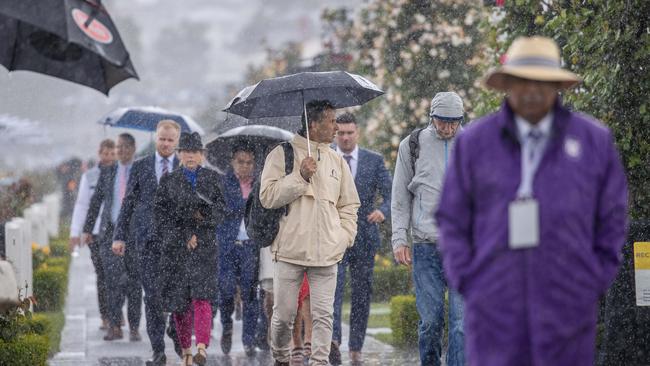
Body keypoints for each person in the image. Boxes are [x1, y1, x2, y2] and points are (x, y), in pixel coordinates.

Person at [435, 36, 628, 366]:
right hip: (493, 308)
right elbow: (452, 218)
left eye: (543, 82)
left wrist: (591, 280)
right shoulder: (476, 144)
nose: (533, 91)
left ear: (557, 85)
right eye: (524, 81)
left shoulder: (592, 141)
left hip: (568, 310)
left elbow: (612, 217)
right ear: (508, 84)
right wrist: (469, 281)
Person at [260, 99, 360, 366]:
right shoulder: (281, 155)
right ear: (313, 124)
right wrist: (300, 177)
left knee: (323, 316)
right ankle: (280, 356)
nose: (337, 127)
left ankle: (319, 362)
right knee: (283, 316)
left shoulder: (337, 161)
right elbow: (267, 197)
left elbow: (349, 204)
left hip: (327, 252)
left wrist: (344, 237)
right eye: (331, 121)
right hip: (289, 251)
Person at [391, 92, 466, 366]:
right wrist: (399, 238)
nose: (447, 128)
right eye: (442, 121)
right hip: (426, 245)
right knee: (431, 322)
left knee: (461, 324)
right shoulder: (412, 145)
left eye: (453, 122)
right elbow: (399, 197)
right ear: (431, 118)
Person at [112, 120, 181, 366]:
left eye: (170, 140)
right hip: (148, 243)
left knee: (175, 296)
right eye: (162, 138)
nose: (165, 143)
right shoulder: (141, 167)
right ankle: (158, 351)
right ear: (156, 138)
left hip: (175, 245)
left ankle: (174, 328)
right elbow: (128, 203)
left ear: (177, 142)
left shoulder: (184, 167)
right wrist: (119, 236)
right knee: (152, 297)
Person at [154, 132, 226, 366]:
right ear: (179, 154)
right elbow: (162, 217)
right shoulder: (169, 181)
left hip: (205, 248)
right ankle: (185, 350)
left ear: (202, 154)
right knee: (180, 302)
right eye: (185, 151)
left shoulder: (213, 179)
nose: (190, 156)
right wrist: (184, 235)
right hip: (177, 250)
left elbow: (221, 211)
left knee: (202, 297)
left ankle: (202, 347)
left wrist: (201, 220)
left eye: (194, 151)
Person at [330, 112, 392, 365]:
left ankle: (356, 346)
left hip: (365, 236)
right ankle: (333, 341)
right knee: (331, 290)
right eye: (341, 133)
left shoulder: (374, 160)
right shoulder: (326, 158)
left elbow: (390, 195)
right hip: (334, 235)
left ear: (358, 133)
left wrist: (382, 211)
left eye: (349, 133)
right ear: (336, 133)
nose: (345, 137)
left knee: (361, 294)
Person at [83, 133, 142, 342]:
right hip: (110, 233)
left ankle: (134, 326)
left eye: (125, 147)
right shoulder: (108, 172)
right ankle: (114, 325)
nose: (121, 151)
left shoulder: (141, 170)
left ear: (134, 148)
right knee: (112, 281)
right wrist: (87, 229)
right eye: (118, 147)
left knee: (134, 283)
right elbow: (96, 201)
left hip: (134, 235)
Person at [217, 143, 260, 357]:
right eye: (241, 162)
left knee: (250, 294)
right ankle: (226, 326)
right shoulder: (223, 183)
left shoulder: (259, 184)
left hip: (250, 247)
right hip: (227, 246)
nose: (245, 166)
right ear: (233, 162)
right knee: (225, 292)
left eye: (249, 162)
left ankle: (249, 340)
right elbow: (219, 211)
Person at [69, 139, 115, 330]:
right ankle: (106, 315)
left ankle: (117, 313)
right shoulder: (90, 176)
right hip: (95, 233)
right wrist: (76, 232)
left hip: (115, 231)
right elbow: (82, 205)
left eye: (113, 154)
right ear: (99, 153)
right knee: (102, 274)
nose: (109, 157)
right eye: (106, 153)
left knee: (119, 276)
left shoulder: (122, 174)